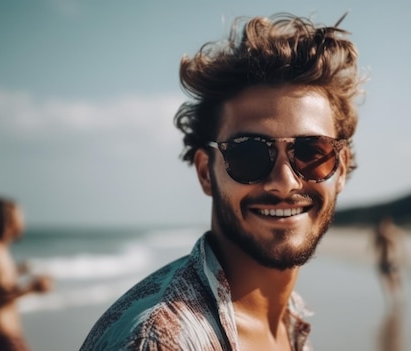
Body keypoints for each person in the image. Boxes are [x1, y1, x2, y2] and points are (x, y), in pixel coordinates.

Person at [80, 12, 363, 351]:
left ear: (341, 168)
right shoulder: (159, 342)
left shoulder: (289, 319)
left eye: (311, 152)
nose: (285, 182)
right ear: (205, 172)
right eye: (249, 155)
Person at [0, 196, 53, 351]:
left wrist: (19, 269)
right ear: (8, 221)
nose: (23, 224)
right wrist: (34, 288)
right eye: (20, 218)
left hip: (2, 340)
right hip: (2, 342)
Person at [371, 216, 405, 306]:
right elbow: (375, 245)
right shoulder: (379, 235)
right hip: (383, 261)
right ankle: (391, 300)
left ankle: (398, 298)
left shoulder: (392, 233)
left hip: (391, 260)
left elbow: (397, 244)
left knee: (394, 279)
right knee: (385, 280)